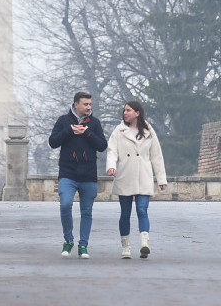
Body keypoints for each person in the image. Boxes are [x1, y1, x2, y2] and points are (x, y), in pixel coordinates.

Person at [48, 91, 107, 259]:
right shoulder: (63, 121)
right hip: (68, 174)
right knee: (65, 205)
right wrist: (69, 131)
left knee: (86, 211)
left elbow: (102, 145)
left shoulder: (94, 123)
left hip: (88, 175)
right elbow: (52, 142)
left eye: (90, 104)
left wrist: (87, 133)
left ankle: (83, 245)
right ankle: (68, 239)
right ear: (76, 105)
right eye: (85, 104)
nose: (89, 107)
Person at [106, 100, 167, 260]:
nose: (125, 113)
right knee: (125, 213)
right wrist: (111, 166)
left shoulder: (148, 131)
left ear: (137, 113)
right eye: (124, 110)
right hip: (125, 175)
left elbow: (157, 156)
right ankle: (125, 247)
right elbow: (112, 151)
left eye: (128, 110)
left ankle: (144, 243)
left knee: (142, 210)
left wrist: (161, 179)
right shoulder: (118, 131)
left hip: (143, 176)